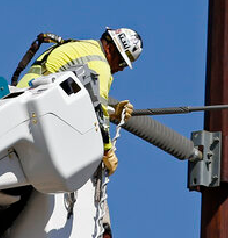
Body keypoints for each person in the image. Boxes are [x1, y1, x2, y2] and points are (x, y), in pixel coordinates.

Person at [15, 27, 143, 175]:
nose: (121, 69)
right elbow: (98, 109)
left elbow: (82, 98)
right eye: (122, 63)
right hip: (36, 105)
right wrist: (107, 150)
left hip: (26, 94)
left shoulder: (85, 47)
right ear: (111, 48)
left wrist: (113, 113)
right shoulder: (100, 65)